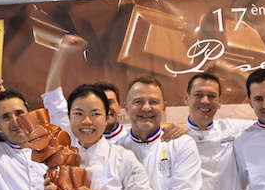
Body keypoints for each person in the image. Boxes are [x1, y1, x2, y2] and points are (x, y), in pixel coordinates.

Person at [42, 34, 186, 143]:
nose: (106, 108)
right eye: (98, 107)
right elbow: (52, 98)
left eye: (110, 102)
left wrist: (184, 131)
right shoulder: (75, 134)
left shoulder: (132, 138)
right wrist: (62, 53)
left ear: (121, 108)